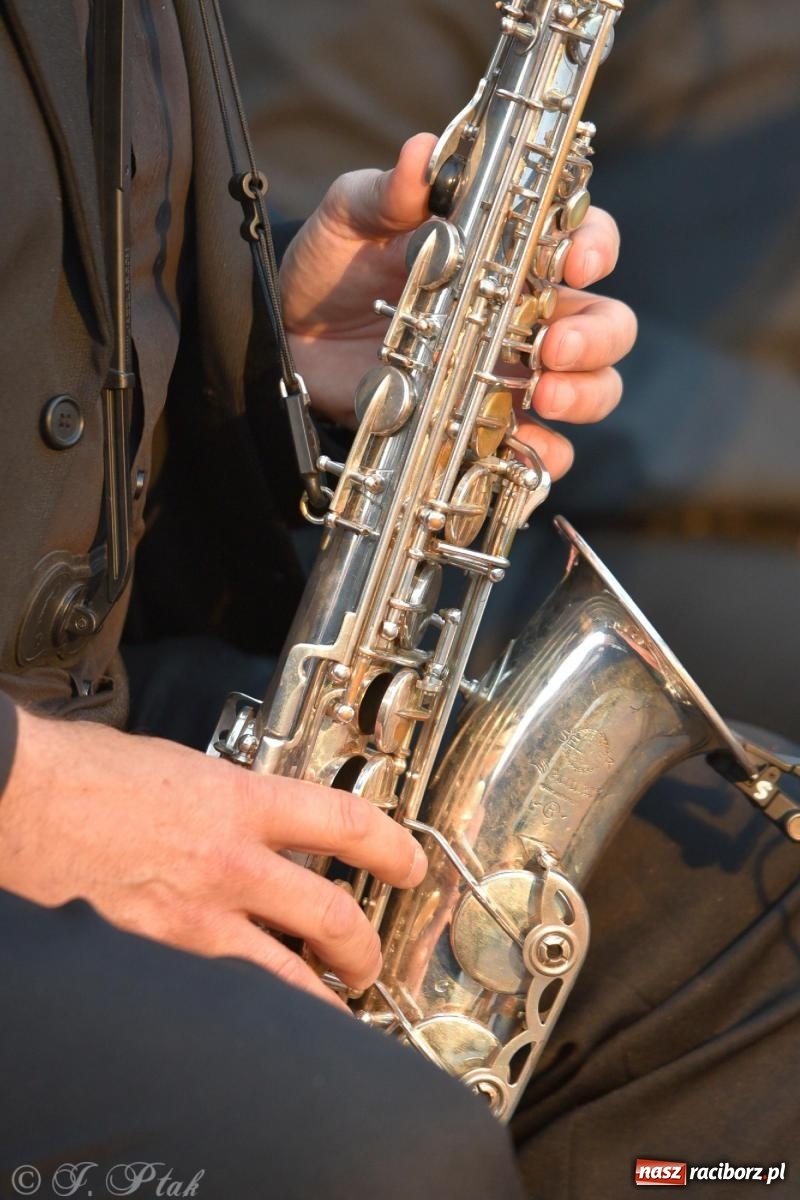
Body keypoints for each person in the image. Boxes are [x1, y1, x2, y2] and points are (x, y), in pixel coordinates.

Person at [0, 2, 634, 1195]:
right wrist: (24, 801)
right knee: (387, 1154)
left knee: (753, 940)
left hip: (112, 711)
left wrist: (269, 371)